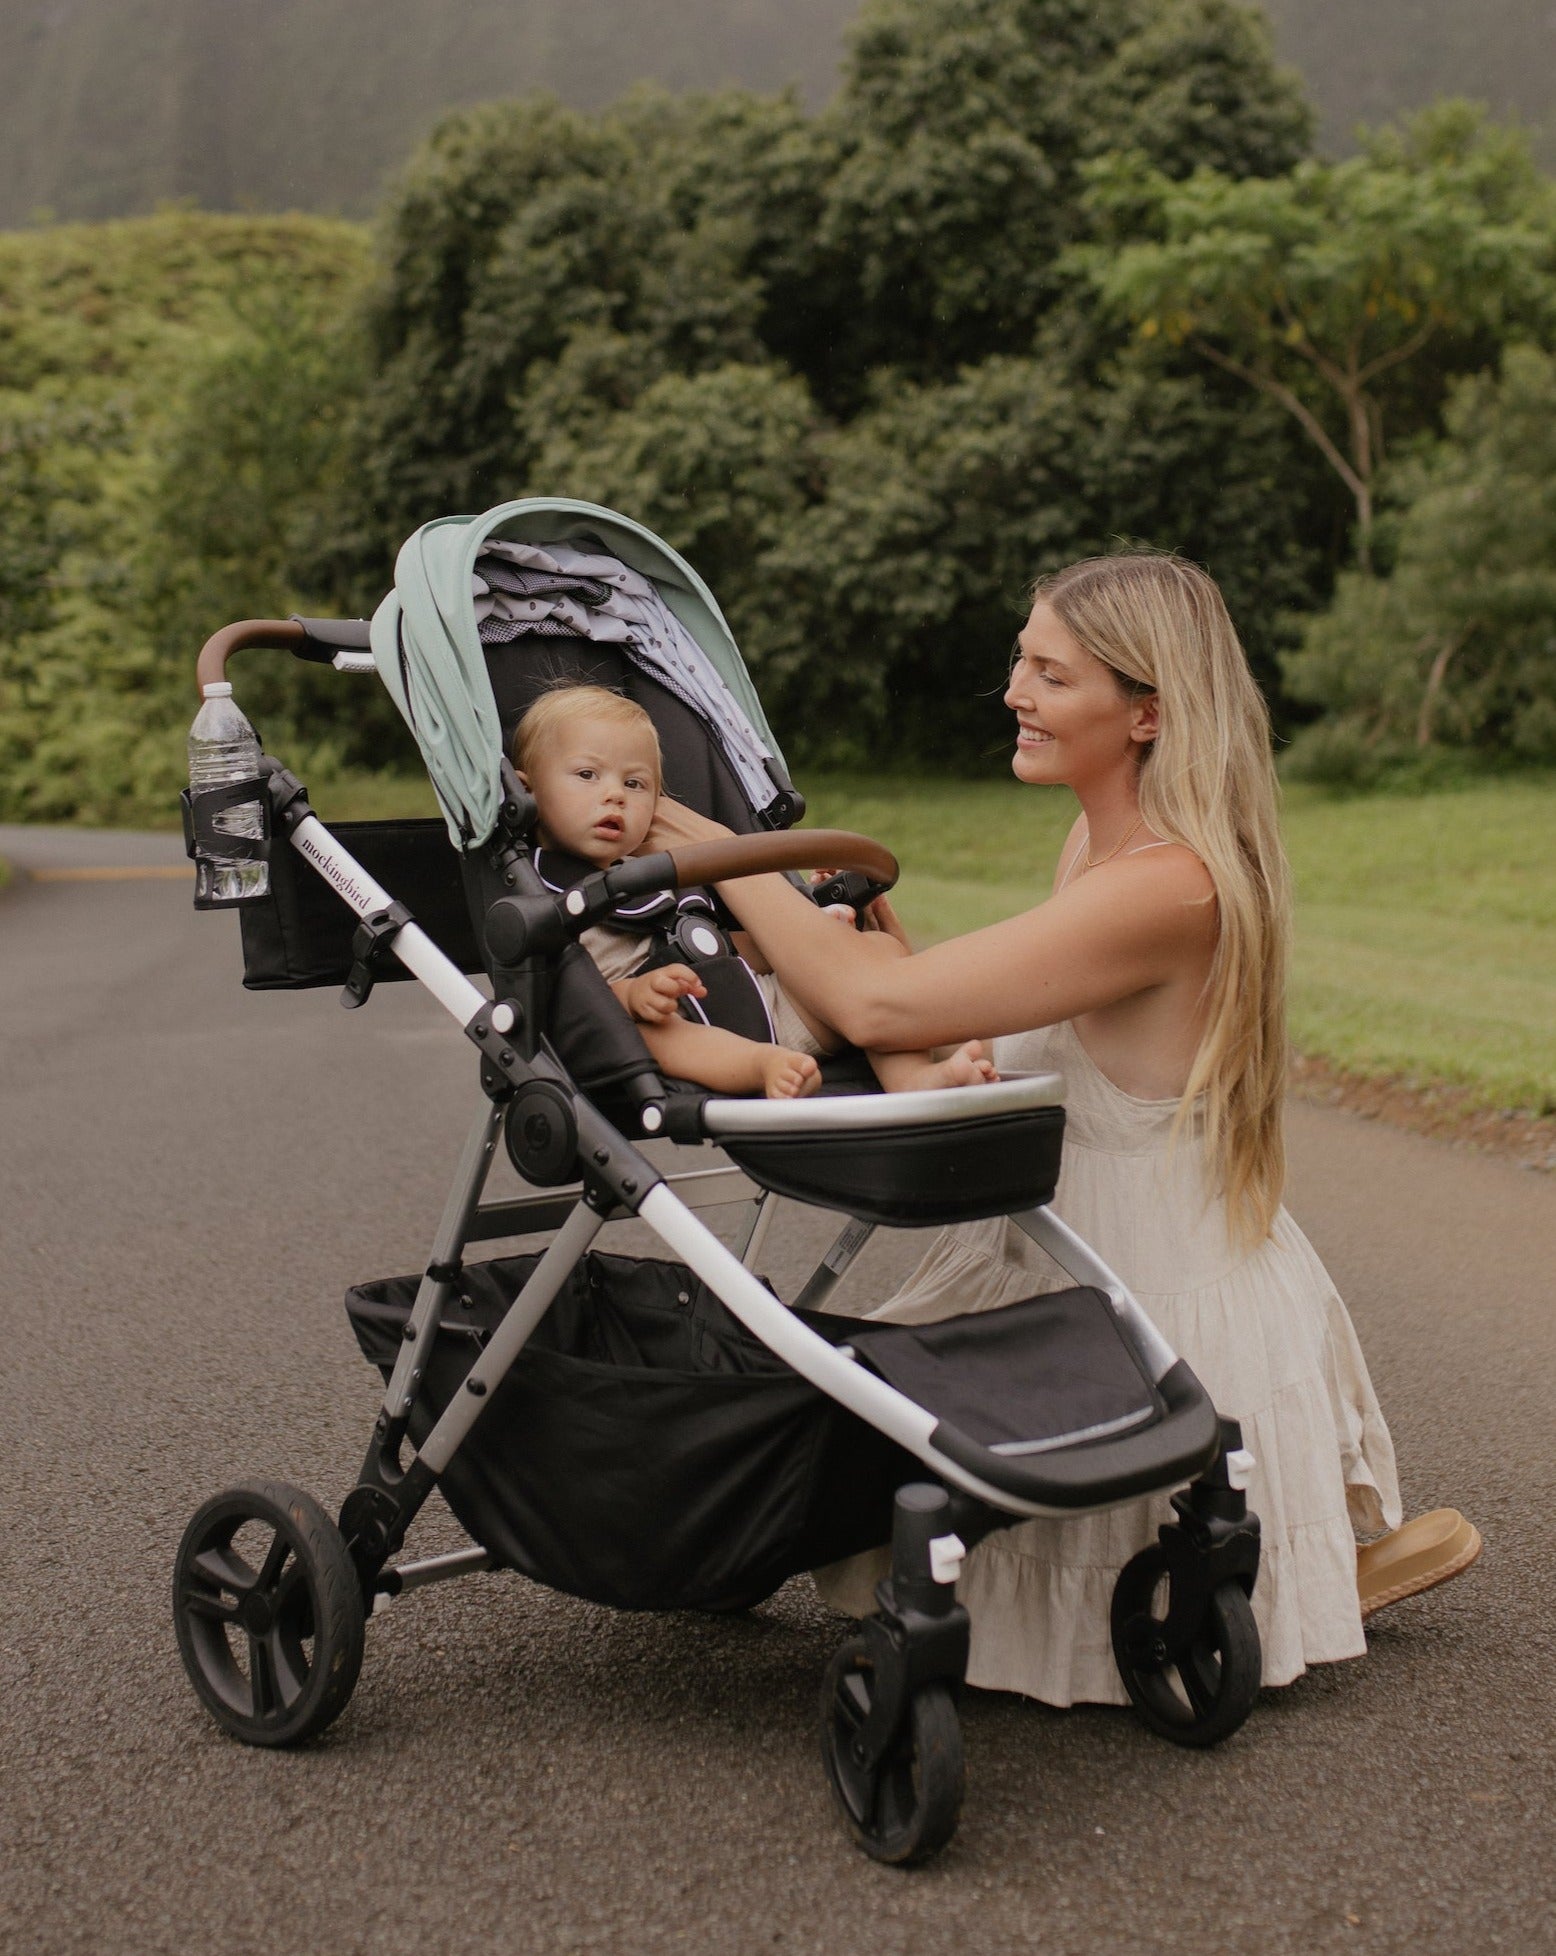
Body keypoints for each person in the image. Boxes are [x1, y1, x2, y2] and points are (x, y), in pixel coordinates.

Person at [643, 552, 1481, 1703]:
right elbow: (988, 1009)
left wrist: (709, 847)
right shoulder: (1100, 845)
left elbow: (876, 1009)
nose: (1013, 692)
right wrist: (876, 941)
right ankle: (1298, 1570)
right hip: (1080, 1241)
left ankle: (1276, 1578)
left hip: (1143, 1295)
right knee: (832, 1421)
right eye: (1018, 661)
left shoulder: (1167, 885)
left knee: (849, 1443)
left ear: (1146, 713)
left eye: (1050, 673)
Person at [513, 685, 998, 1101]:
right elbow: (573, 999)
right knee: (652, 1032)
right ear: (527, 792)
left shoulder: (665, 873)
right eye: (587, 775)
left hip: (764, 1003)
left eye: (636, 783)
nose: (615, 794)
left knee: (878, 952)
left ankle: (913, 1079)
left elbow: (725, 948)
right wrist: (633, 994)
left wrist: (814, 932)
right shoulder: (548, 895)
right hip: (675, 1030)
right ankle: (761, 1066)